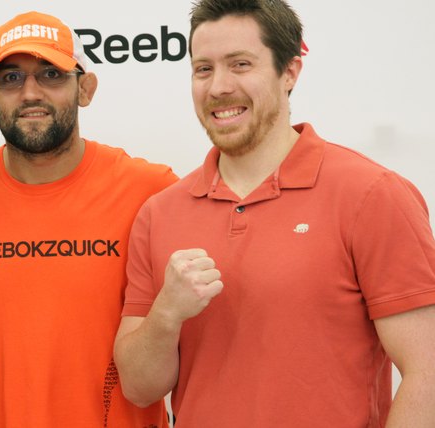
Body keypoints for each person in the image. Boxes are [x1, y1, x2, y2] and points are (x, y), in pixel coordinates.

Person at [113, 0, 435, 426]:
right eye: (203, 69)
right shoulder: (159, 213)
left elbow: (427, 371)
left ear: (289, 72)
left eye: (240, 64)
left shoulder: (371, 194)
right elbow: (138, 387)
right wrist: (167, 312)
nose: (218, 87)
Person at [0, 11, 178, 428]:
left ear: (85, 88)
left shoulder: (151, 191)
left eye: (52, 74)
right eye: (11, 78)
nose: (30, 93)